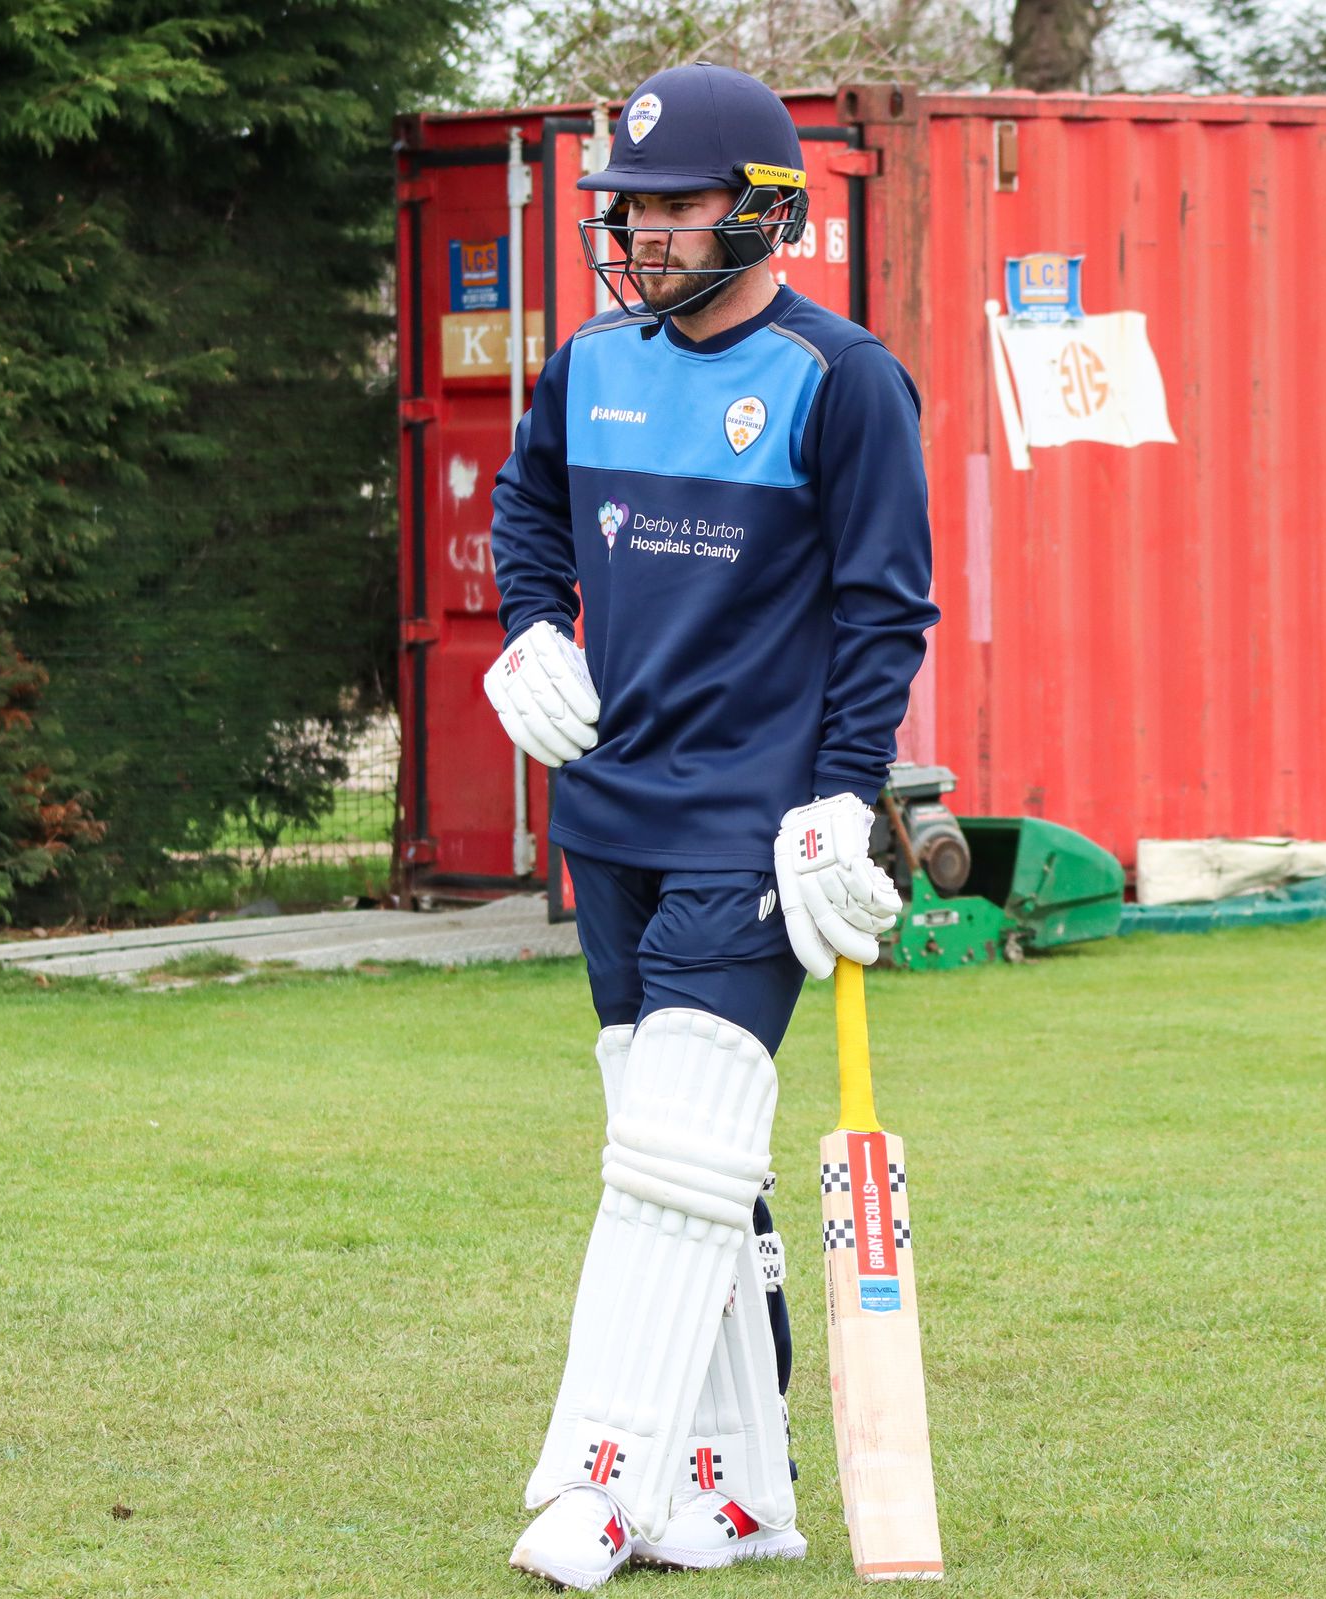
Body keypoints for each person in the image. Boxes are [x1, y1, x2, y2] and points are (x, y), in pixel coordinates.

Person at [482, 61, 936, 1590]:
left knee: (673, 1154)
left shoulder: (843, 379)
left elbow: (884, 613)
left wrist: (837, 797)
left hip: (751, 822)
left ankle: (603, 1479)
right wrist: (532, 627)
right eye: (631, 208)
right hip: (608, 807)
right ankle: (741, 1493)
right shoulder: (595, 360)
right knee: (686, 1158)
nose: (645, 233)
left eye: (675, 207)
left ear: (763, 212)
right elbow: (525, 502)